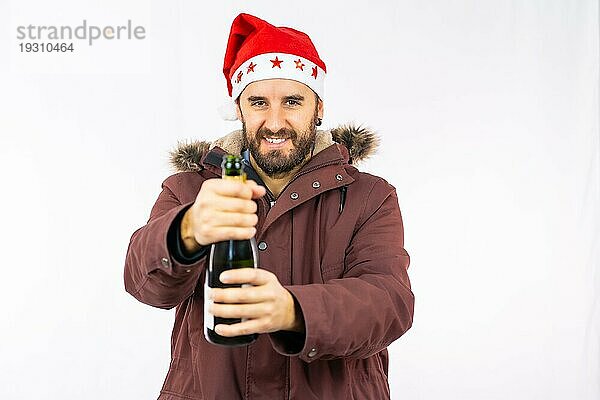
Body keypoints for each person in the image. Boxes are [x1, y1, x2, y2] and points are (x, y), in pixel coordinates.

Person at [124, 13, 414, 400]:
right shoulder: (190, 189)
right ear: (239, 108)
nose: (275, 122)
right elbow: (145, 284)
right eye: (258, 102)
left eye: (292, 101)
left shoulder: (370, 197)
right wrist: (187, 230)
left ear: (319, 107)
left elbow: (389, 302)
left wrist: (292, 311)